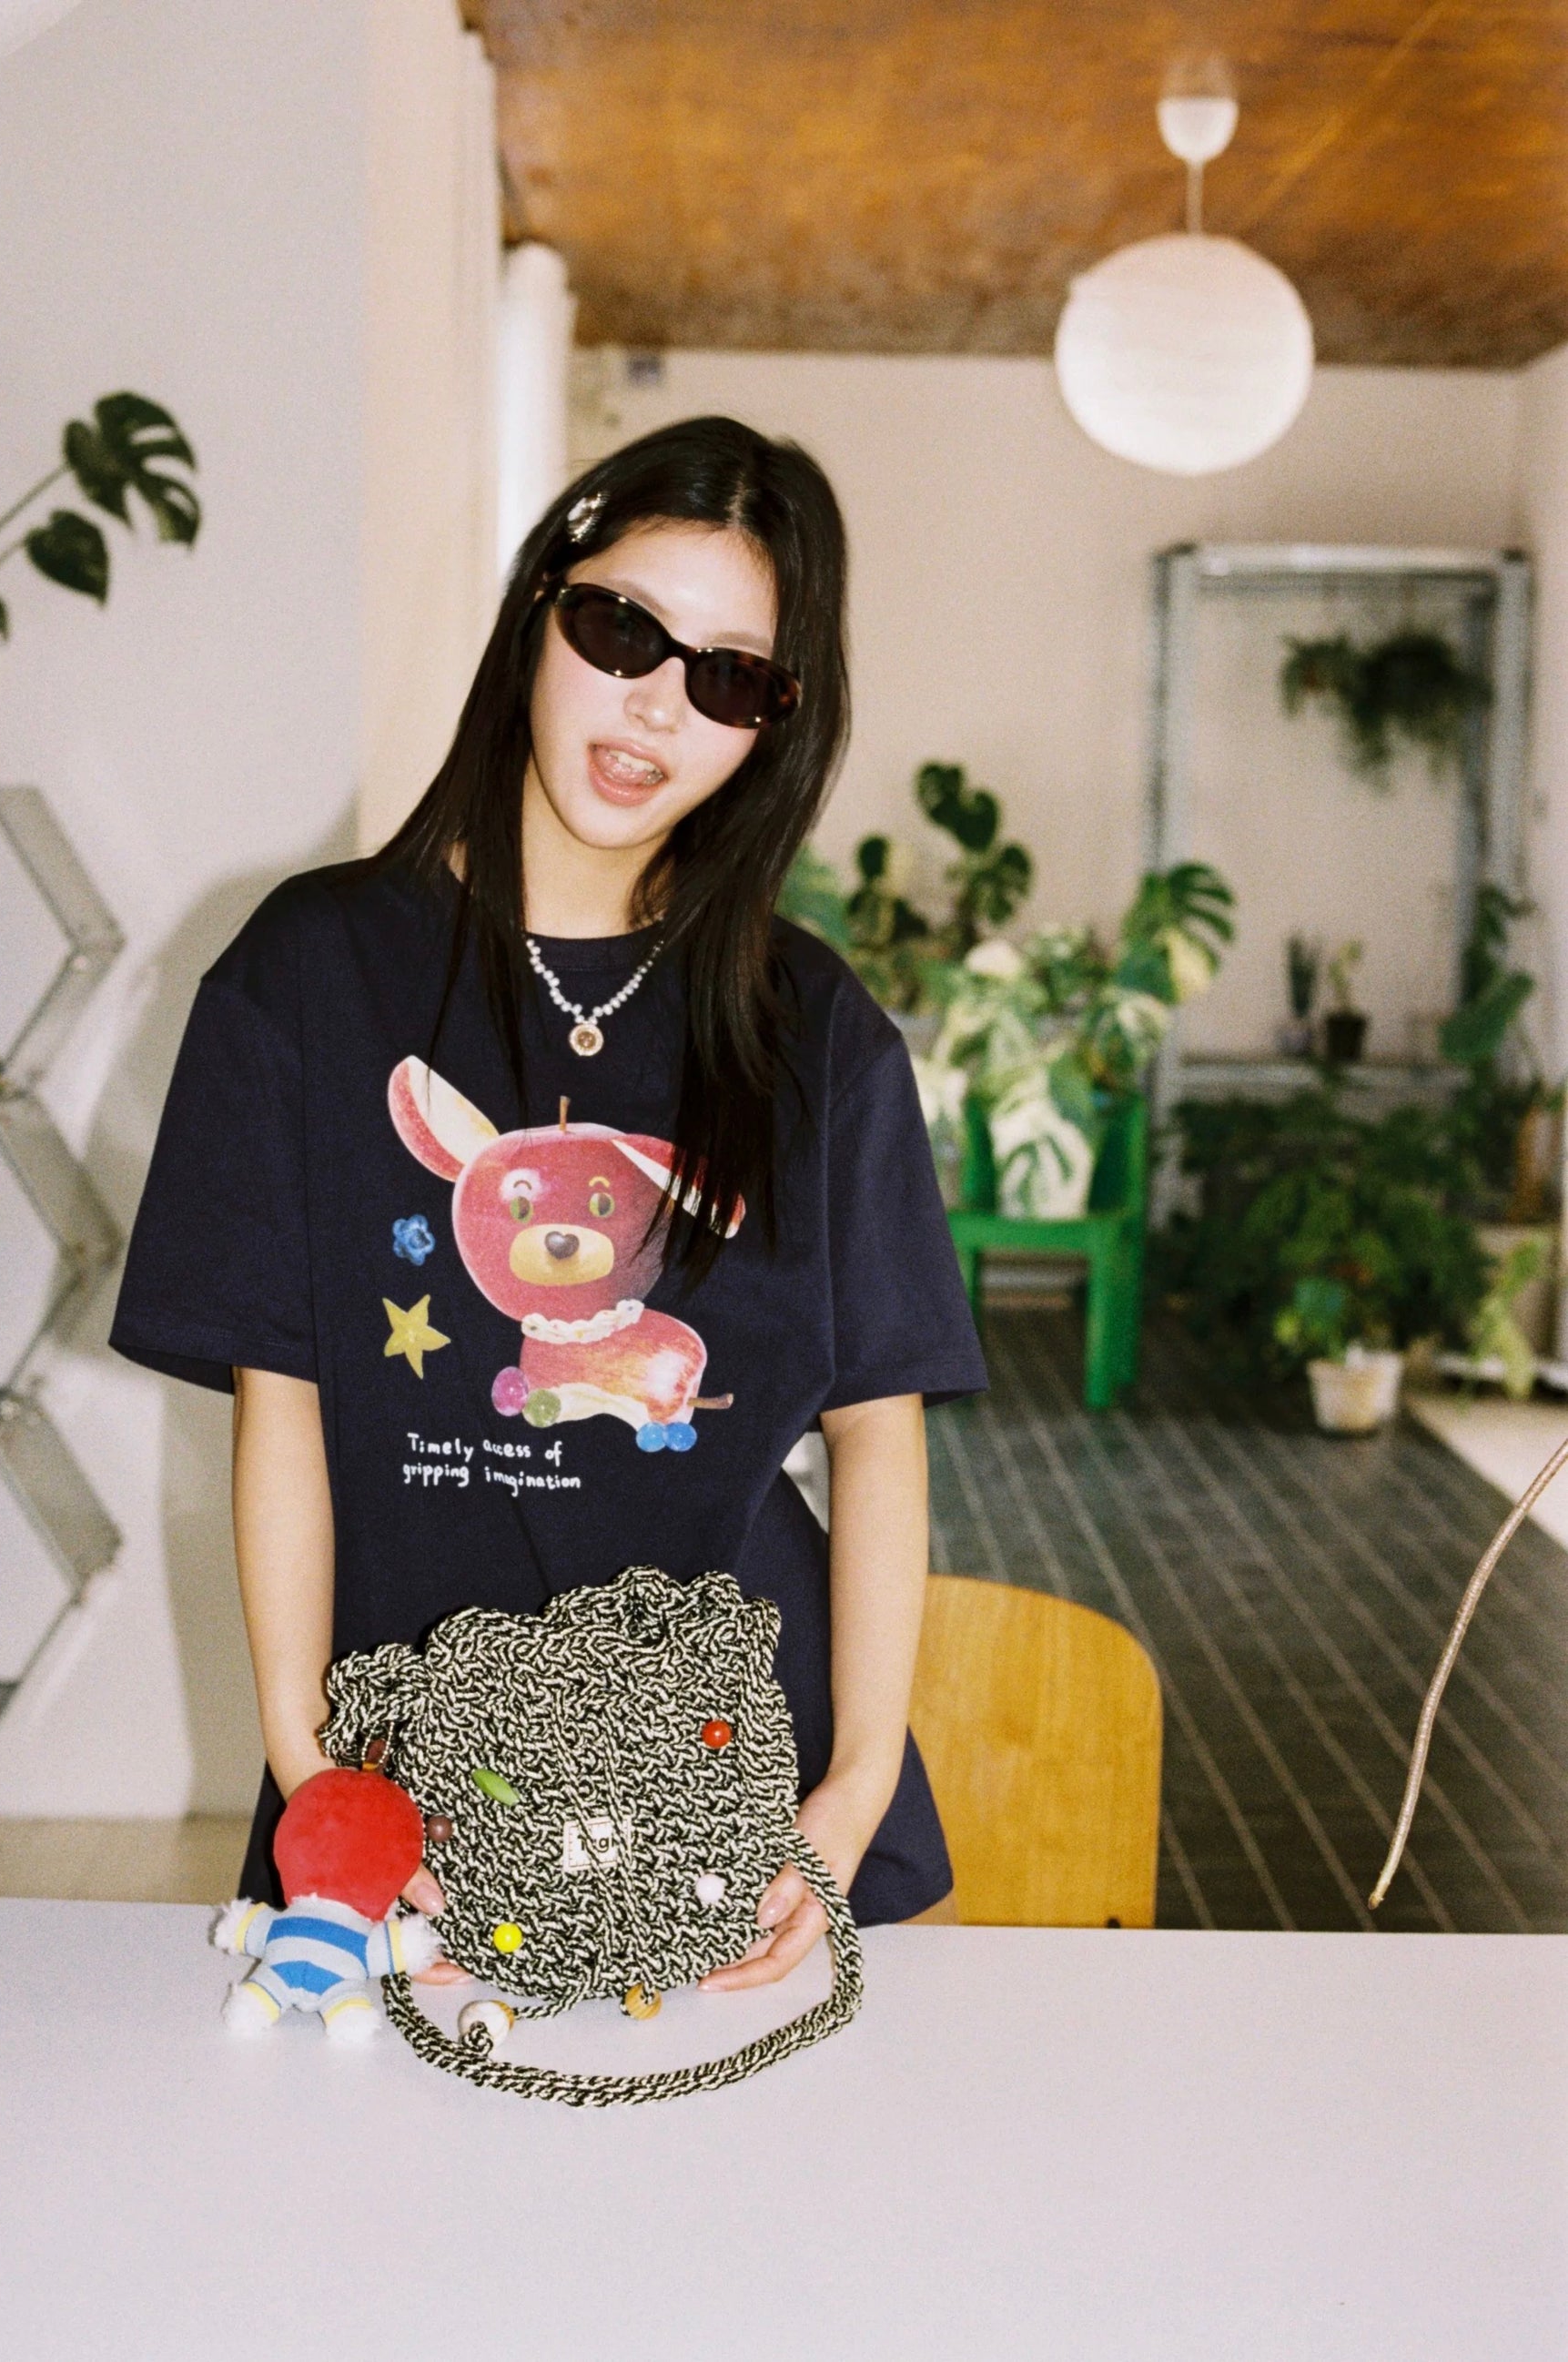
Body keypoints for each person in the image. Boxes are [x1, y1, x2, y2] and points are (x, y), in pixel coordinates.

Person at [110, 414, 987, 1990]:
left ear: (774, 728)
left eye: (730, 677)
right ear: (538, 612)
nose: (657, 702)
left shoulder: (810, 1029)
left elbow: (879, 1427)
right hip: (403, 1780)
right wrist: (314, 1773)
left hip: (741, 1789)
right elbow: (283, 1404)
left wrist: (853, 1788)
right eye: (623, 630)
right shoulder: (307, 974)